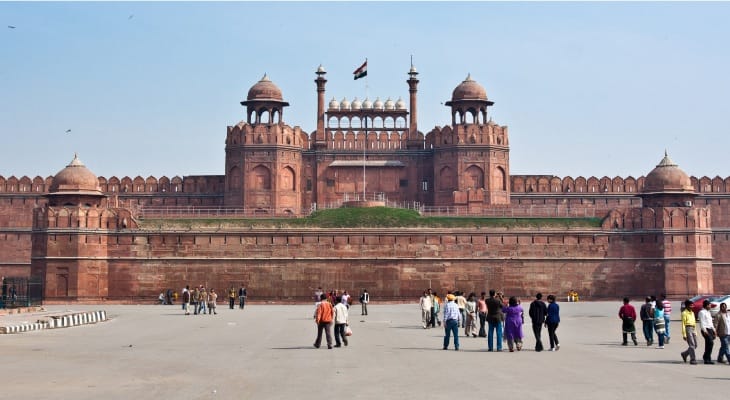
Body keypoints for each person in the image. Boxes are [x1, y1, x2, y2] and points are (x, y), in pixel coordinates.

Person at [698, 299, 716, 364]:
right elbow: (702, 322)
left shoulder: (708, 312)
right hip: (705, 330)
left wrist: (714, 330)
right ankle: (706, 357)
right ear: (706, 305)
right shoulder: (702, 312)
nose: (710, 306)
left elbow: (710, 322)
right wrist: (704, 331)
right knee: (711, 343)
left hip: (710, 329)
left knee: (708, 344)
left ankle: (707, 359)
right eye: (709, 305)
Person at [680, 299, 698, 364]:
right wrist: (684, 334)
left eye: (692, 305)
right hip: (688, 328)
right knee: (691, 344)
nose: (692, 306)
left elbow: (694, 323)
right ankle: (693, 359)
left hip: (693, 328)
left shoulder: (692, 313)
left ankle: (684, 354)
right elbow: (683, 324)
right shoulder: (684, 313)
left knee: (695, 345)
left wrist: (695, 331)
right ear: (687, 306)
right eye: (691, 305)